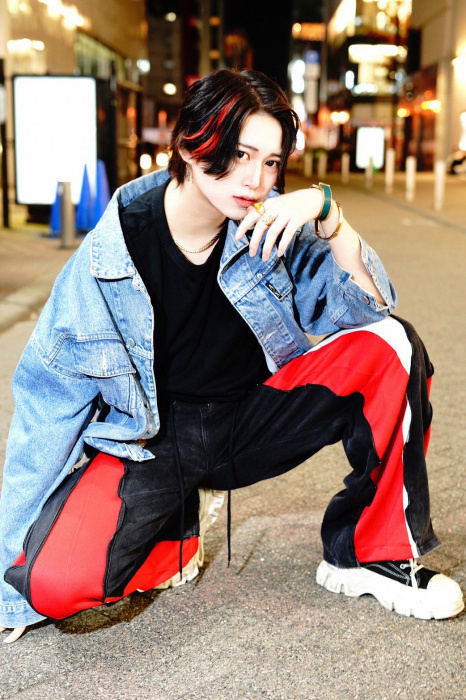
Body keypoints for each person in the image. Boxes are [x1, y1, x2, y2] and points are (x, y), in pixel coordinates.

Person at [0, 69, 463, 644]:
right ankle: (172, 537)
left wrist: (329, 216)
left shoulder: (272, 223)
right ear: (189, 144)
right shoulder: (110, 256)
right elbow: (47, 410)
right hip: (154, 443)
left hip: (252, 420)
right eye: (240, 153)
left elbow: (370, 309)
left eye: (271, 162)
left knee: (393, 343)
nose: (256, 179)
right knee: (49, 584)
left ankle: (368, 552)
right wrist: (9, 586)